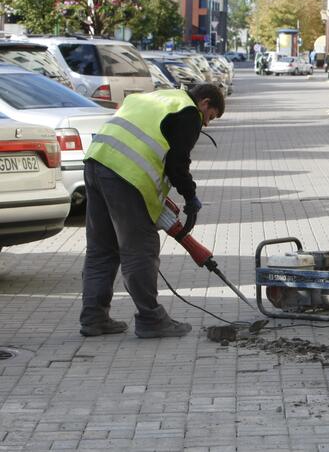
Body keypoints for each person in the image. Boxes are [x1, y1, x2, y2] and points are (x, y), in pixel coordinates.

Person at [79, 84, 225, 338]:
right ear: (204, 102)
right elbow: (177, 164)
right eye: (210, 116)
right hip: (124, 175)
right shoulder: (188, 112)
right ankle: (151, 319)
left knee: (101, 249)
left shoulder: (161, 97)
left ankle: (93, 318)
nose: (207, 124)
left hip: (95, 162)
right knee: (140, 249)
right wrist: (190, 198)